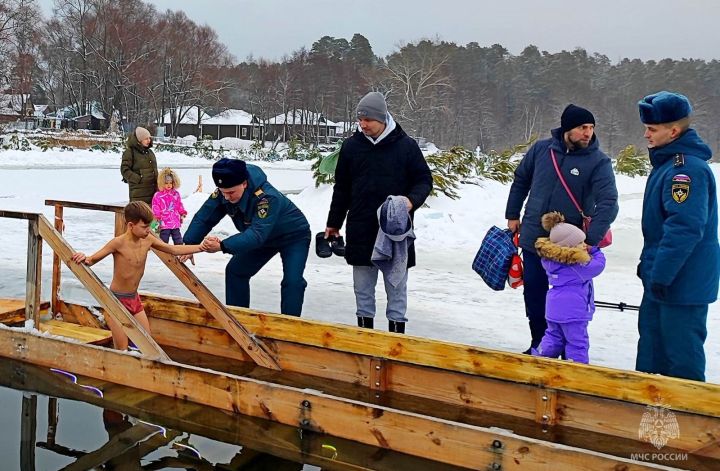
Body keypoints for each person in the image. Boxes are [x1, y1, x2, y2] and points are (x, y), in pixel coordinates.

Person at [505, 104, 618, 353]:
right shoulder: (541, 150)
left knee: (566, 302)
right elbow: (521, 179)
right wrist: (512, 214)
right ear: (567, 128)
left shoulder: (598, 161)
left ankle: (568, 350)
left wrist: (592, 238)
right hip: (534, 238)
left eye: (591, 128)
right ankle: (539, 345)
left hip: (568, 246)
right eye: (582, 128)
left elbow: (609, 202)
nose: (588, 133)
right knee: (535, 296)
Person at [325, 91, 433, 333]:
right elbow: (341, 188)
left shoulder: (406, 146)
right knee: (362, 289)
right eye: (359, 120)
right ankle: (365, 336)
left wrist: (410, 201)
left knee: (396, 288)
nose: (363, 125)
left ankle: (397, 339)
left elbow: (424, 180)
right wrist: (334, 222)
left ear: (383, 118)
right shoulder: (352, 147)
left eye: (368, 120)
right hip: (360, 227)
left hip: (395, 232)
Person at [635, 91, 719, 382]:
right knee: (653, 355)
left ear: (674, 131)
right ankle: (652, 422)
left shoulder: (686, 171)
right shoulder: (668, 165)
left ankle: (690, 423)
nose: (646, 134)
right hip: (666, 279)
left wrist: (661, 274)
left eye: (652, 129)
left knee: (681, 361)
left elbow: (684, 228)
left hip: (681, 284)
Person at [182, 158, 311, 316]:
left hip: (293, 236)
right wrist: (188, 244)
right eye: (223, 192)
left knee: (293, 282)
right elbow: (205, 216)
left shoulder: (267, 197)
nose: (227, 197)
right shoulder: (225, 190)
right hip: (262, 237)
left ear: (244, 183)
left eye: (231, 193)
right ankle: (238, 321)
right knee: (236, 271)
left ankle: (291, 327)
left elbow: (256, 234)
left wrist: (222, 246)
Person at [71, 201, 205, 351]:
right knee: (121, 349)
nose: (149, 230)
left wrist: (201, 247)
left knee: (148, 345)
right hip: (116, 300)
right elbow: (91, 260)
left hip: (134, 299)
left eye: (150, 226)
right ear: (130, 225)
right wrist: (83, 257)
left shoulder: (148, 240)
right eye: (144, 227)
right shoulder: (118, 243)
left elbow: (172, 249)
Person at [531, 212, 606, 363]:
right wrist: (595, 251)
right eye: (580, 244)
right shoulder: (577, 265)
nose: (584, 246)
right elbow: (598, 266)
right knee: (577, 343)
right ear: (568, 248)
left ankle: (539, 359)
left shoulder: (551, 261)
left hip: (554, 309)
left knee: (553, 337)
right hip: (573, 312)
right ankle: (577, 370)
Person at [120, 126, 158, 205]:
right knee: (139, 214)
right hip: (138, 193)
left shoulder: (150, 152)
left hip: (153, 192)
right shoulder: (130, 152)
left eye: (149, 138)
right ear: (139, 140)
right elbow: (125, 170)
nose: (149, 140)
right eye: (146, 139)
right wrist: (138, 179)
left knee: (152, 216)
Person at [152, 168, 187, 244]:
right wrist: (157, 217)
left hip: (174, 221)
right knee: (164, 237)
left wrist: (182, 212)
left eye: (170, 183)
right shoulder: (158, 195)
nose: (169, 185)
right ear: (162, 183)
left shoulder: (175, 194)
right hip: (164, 221)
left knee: (177, 237)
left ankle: (179, 250)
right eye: (166, 183)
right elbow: (156, 206)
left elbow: (179, 204)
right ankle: (164, 252)